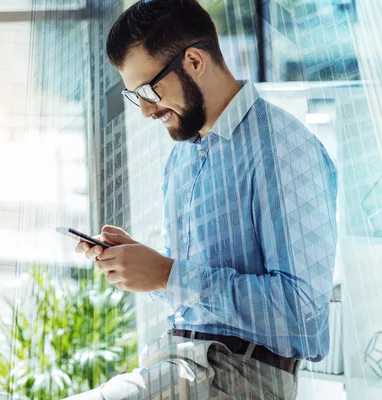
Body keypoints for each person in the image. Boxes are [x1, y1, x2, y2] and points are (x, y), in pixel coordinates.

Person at [65, 0, 338, 399]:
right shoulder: (182, 157)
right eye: (134, 94)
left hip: (242, 379)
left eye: (148, 90)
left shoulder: (283, 147)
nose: (144, 110)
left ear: (194, 61)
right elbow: (194, 291)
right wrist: (145, 266)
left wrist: (167, 275)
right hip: (179, 365)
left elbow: (301, 315)